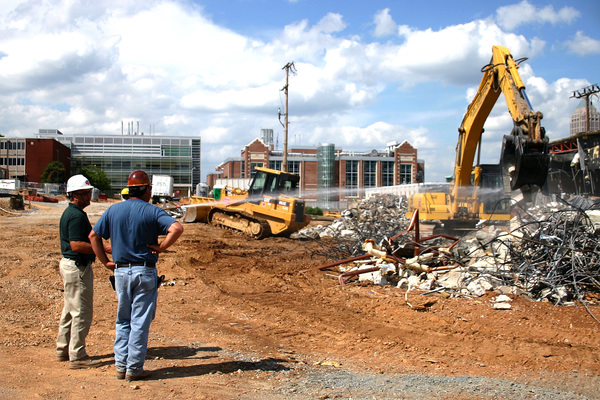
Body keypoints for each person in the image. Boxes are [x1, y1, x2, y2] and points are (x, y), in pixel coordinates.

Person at [89, 170, 183, 381]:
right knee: (139, 321)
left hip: (121, 272)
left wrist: (105, 261)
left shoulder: (113, 211)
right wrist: (161, 248)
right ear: (146, 189)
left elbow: (93, 236)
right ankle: (134, 369)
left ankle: (121, 366)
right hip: (144, 271)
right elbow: (176, 228)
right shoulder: (152, 211)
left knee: (123, 320)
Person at [57, 174, 108, 369]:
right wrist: (103, 249)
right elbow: (77, 245)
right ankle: (77, 355)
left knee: (70, 310)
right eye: (85, 193)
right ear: (75, 195)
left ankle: (63, 349)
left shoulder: (72, 213)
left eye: (89, 192)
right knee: (81, 312)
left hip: (70, 266)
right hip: (77, 267)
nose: (89, 196)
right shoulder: (77, 216)